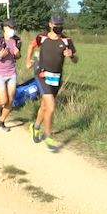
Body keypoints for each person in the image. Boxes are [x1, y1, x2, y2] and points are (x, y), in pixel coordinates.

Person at [27, 15, 78, 152]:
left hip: (56, 78)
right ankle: (48, 136)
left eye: (61, 24)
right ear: (50, 24)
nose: (59, 27)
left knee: (44, 106)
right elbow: (31, 46)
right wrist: (28, 60)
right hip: (42, 74)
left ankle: (35, 127)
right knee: (51, 107)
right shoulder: (42, 37)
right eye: (56, 24)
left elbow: (76, 59)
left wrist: (71, 55)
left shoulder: (66, 40)